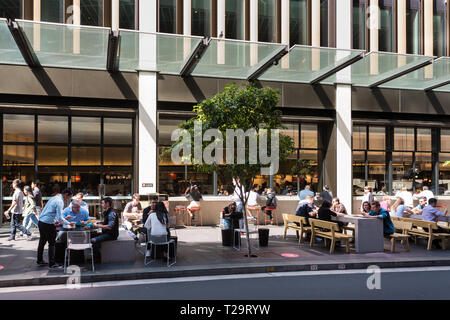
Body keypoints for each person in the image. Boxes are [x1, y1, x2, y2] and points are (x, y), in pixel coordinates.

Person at [37, 188, 73, 268]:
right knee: (52, 243)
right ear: (66, 194)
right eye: (69, 197)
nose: (69, 199)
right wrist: (68, 223)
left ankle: (39, 260)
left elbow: (55, 215)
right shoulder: (60, 201)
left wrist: (63, 220)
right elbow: (59, 218)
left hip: (41, 221)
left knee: (42, 242)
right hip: (48, 223)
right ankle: (52, 263)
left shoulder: (54, 198)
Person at [91, 197, 119, 262]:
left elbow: (109, 226)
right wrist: (98, 222)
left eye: (103, 203)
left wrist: (97, 225)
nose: (101, 204)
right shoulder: (107, 211)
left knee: (93, 240)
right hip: (106, 233)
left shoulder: (112, 213)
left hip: (111, 235)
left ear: (107, 204)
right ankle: (94, 256)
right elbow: (106, 221)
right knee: (91, 235)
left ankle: (97, 259)